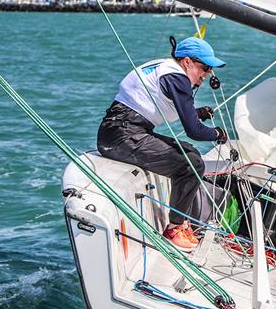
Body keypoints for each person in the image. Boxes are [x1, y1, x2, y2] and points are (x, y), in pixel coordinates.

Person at [97, 37, 228, 251]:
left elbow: (165, 108)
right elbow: (193, 130)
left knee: (189, 152)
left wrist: (198, 113)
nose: (206, 75)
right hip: (121, 135)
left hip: (120, 130)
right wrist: (217, 133)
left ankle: (182, 220)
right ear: (187, 62)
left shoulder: (165, 68)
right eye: (205, 68)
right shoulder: (177, 78)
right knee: (190, 164)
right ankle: (174, 228)